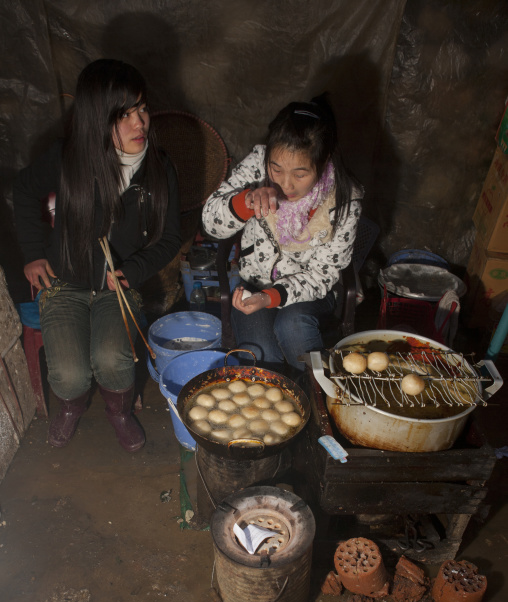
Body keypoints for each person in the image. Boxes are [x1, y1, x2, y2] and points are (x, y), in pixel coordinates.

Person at [13, 59, 182, 451]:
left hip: (116, 288)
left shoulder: (159, 169)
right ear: (96, 119)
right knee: (70, 376)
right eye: (123, 115)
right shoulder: (67, 157)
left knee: (112, 360)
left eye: (141, 108)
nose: (139, 123)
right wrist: (34, 253)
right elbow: (23, 190)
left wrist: (133, 270)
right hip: (64, 282)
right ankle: (71, 407)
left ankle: (119, 411)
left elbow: (170, 237)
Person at [202, 97, 364, 374]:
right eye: (276, 169)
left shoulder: (345, 199)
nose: (285, 184)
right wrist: (246, 201)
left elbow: (322, 276)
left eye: (300, 174)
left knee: (293, 326)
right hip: (254, 282)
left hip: (310, 294)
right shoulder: (257, 165)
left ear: (323, 162)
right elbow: (210, 222)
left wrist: (271, 297)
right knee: (260, 357)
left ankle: (316, 400)